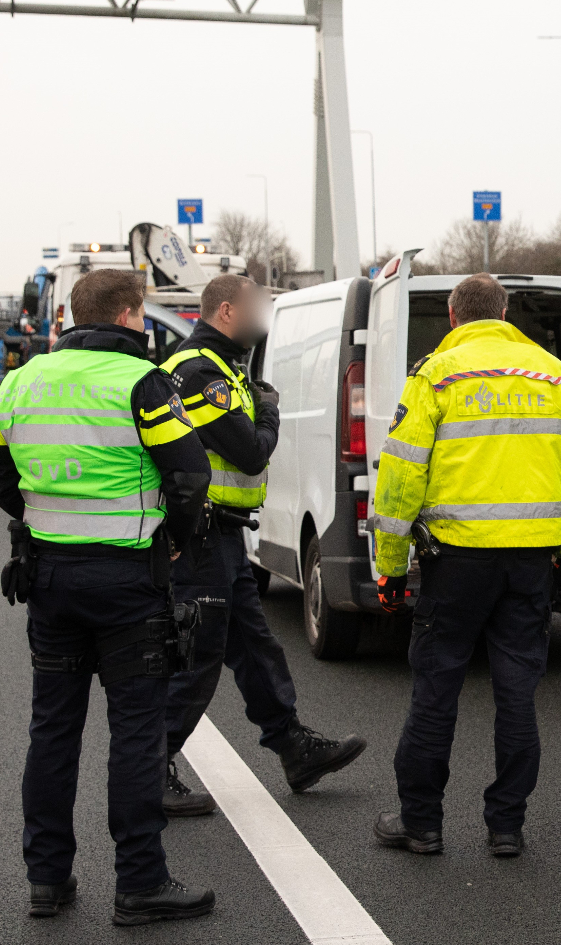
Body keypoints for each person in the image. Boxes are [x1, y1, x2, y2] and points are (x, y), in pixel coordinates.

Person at [0, 268, 218, 923]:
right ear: (129, 315)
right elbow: (191, 475)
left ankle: (47, 881)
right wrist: (172, 537)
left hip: (50, 580)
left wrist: (44, 522)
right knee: (137, 731)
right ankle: (140, 881)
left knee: (52, 728)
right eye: (143, 316)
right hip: (126, 585)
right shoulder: (141, 383)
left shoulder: (20, 383)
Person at [367, 273, 561, 857]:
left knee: (437, 685)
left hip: (458, 560)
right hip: (531, 560)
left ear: (452, 317)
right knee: (518, 692)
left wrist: (390, 565)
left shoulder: (435, 376)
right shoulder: (554, 375)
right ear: (505, 314)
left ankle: (421, 823)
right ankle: (507, 826)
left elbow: (398, 479)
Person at [157, 273, 366, 817]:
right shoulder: (195, 370)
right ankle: (150, 767)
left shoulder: (225, 367)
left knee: (255, 647)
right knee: (197, 658)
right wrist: (269, 411)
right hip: (199, 537)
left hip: (225, 535)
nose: (264, 317)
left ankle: (293, 748)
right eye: (257, 307)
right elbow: (249, 452)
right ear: (227, 310)